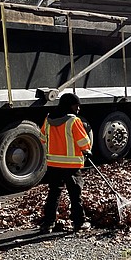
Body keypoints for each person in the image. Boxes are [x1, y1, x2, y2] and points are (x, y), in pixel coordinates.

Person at [39, 92, 92, 233]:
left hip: (53, 164)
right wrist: (87, 150)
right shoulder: (74, 121)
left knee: (54, 194)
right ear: (70, 106)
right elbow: (84, 142)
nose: (78, 109)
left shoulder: (48, 119)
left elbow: (42, 138)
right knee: (75, 195)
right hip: (71, 165)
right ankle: (79, 223)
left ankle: (47, 223)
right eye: (76, 106)